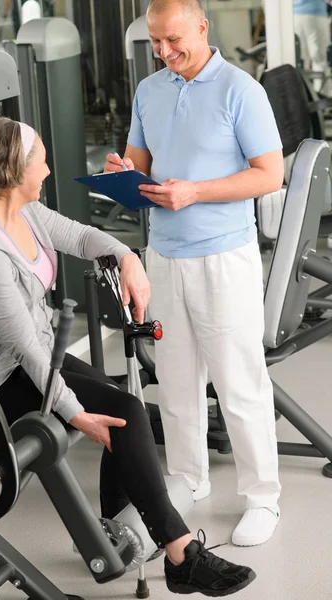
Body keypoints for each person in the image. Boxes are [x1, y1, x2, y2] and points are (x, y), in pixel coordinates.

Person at [0, 116, 256, 596]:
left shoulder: (23, 212)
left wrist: (127, 257)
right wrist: (76, 415)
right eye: (42, 162)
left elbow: (80, 237)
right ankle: (181, 554)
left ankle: (112, 532)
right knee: (124, 412)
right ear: (15, 171)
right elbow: (23, 348)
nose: (49, 171)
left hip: (37, 354)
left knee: (121, 403)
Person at [105, 0, 284, 547]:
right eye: (156, 42)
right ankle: (188, 477)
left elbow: (269, 175)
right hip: (164, 255)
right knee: (177, 381)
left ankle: (262, 498)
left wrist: (195, 191)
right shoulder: (149, 91)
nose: (164, 52)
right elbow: (141, 161)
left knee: (238, 382)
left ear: (203, 28)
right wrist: (125, 172)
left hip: (224, 257)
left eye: (174, 39)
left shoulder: (241, 91)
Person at [293, 0, 332, 97]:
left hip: (294, 15)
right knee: (320, 60)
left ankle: (305, 99)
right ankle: (323, 99)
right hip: (315, 13)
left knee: (300, 63)